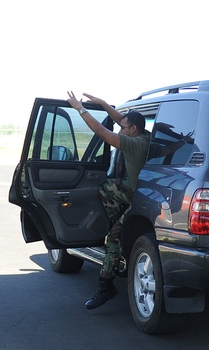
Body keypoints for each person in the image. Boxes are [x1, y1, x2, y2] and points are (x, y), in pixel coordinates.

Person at [64, 92, 151, 310]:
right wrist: (103, 104)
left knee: (113, 237)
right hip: (140, 193)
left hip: (137, 200)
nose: (120, 129)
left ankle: (105, 286)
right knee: (106, 185)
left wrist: (80, 109)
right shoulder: (144, 136)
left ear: (132, 130)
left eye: (124, 127)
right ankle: (115, 222)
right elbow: (121, 120)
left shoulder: (133, 144)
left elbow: (101, 132)